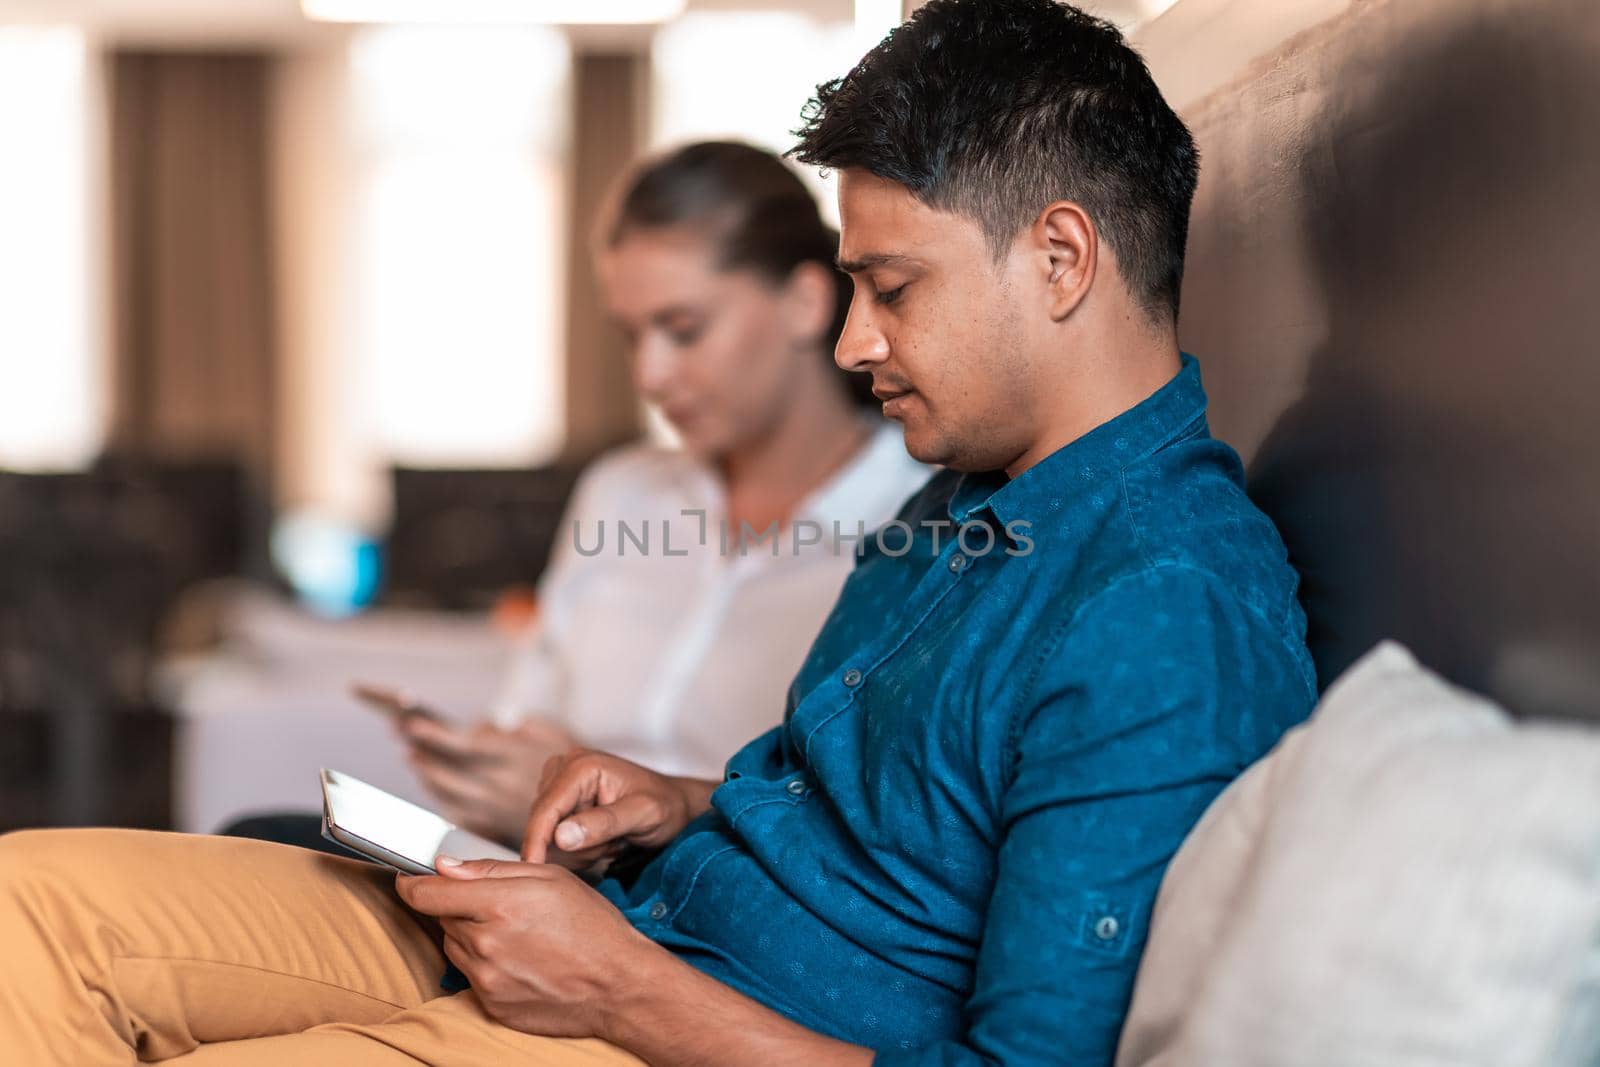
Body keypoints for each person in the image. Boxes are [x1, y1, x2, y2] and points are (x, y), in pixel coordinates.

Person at [0, 2, 1318, 1064]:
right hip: (626, 924)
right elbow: (866, 814)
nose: (857, 345)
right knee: (23, 911)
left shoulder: (1166, 605)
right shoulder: (967, 488)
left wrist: (627, 994)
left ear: (1063, 258)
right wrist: (673, 799)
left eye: (893, 290)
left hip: (658, 1015)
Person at [228, 142, 930, 850]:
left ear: (805, 302)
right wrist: (505, 774)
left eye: (683, 330)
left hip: (709, 903)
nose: (651, 375)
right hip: (545, 867)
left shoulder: (920, 519)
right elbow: (529, 714)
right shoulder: (621, 493)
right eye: (631, 336)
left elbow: (859, 811)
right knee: (264, 840)